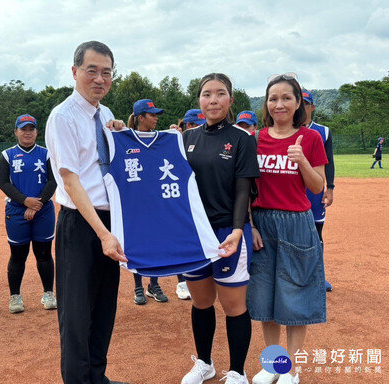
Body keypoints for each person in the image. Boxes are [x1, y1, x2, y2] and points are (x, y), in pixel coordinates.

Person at [45, 41, 128, 384]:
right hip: (81, 224)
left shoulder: (105, 115)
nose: (99, 78)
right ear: (75, 71)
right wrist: (102, 233)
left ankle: (97, 376)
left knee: (104, 307)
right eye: (92, 70)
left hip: (109, 221)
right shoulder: (63, 116)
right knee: (76, 314)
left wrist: (123, 137)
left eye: (106, 72)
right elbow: (70, 178)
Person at [248, 73, 327, 384]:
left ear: (298, 103)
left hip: (296, 223)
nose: (279, 103)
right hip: (263, 223)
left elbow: (318, 186)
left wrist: (302, 161)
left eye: (286, 98)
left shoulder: (310, 139)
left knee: (296, 297)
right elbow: (248, 189)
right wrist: (251, 225)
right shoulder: (255, 140)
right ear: (266, 104)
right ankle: (275, 366)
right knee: (265, 299)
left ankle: (291, 371)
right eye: (273, 98)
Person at [181, 73, 260, 384]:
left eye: (220, 93)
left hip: (227, 231)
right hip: (193, 236)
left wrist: (239, 229)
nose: (212, 99)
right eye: (206, 94)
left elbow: (243, 189)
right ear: (199, 100)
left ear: (230, 100)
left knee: (233, 306)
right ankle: (204, 363)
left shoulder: (242, 139)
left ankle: (238, 371)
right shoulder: (185, 139)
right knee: (201, 303)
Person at [0, 114, 57, 313]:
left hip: (43, 209)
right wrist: (25, 201)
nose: (28, 132)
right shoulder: (7, 155)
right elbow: (4, 183)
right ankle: (15, 296)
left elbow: (52, 180)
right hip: (16, 211)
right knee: (18, 255)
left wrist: (36, 205)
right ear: (16, 132)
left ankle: (48, 292)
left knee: (44, 253)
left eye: (31, 129)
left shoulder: (46, 154)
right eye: (23, 129)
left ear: (36, 132)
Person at [126, 99, 169, 305]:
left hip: (156, 202)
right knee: (137, 245)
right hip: (135, 204)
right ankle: (137, 286)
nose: (156, 118)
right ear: (140, 117)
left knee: (157, 244)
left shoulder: (161, 139)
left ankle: (153, 284)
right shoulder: (125, 139)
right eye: (151, 114)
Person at [302, 90, 335, 292]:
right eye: (299, 102)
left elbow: (329, 163)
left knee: (316, 233)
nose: (301, 107)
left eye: (306, 103)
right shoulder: (284, 129)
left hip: (314, 192)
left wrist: (329, 188)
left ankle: (317, 275)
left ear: (312, 107)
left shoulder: (323, 131)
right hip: (291, 191)